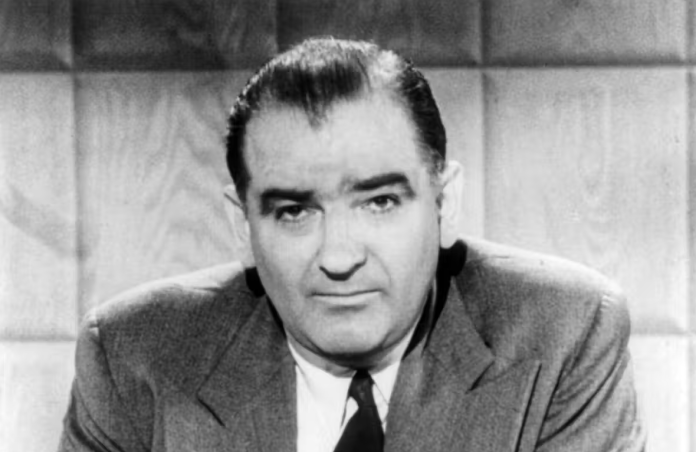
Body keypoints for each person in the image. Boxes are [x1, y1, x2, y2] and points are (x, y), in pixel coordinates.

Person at [58, 38, 644, 452]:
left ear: (444, 204)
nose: (339, 258)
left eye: (380, 202)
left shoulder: (562, 332)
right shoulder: (133, 356)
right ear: (243, 226)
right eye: (294, 211)